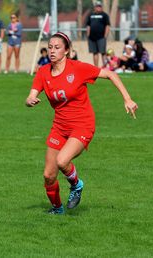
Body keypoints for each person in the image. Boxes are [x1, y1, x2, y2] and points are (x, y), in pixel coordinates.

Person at [25, 32, 138, 215]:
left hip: (82, 124)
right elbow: (31, 94)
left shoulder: (78, 68)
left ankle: (77, 185)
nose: (52, 51)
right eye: (50, 47)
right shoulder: (43, 71)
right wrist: (30, 100)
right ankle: (57, 209)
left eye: (57, 47)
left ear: (67, 50)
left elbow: (110, 74)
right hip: (60, 126)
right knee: (48, 175)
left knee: (62, 161)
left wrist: (128, 99)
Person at [86, 1, 110, 67]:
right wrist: (88, 35)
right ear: (95, 7)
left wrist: (105, 36)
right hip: (92, 37)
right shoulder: (91, 15)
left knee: (103, 52)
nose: (98, 8)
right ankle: (96, 67)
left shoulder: (104, 15)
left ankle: (104, 67)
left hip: (101, 37)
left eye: (100, 6)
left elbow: (107, 26)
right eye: (97, 6)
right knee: (95, 53)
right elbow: (88, 25)